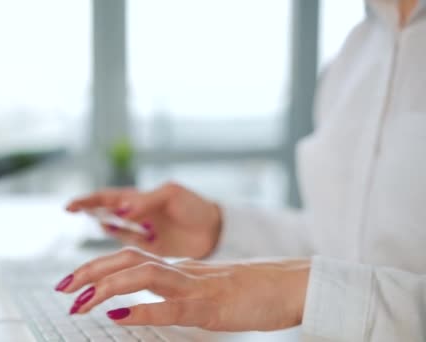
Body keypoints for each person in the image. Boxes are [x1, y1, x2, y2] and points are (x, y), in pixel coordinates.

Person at [55, 0, 426, 340]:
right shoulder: (355, 53)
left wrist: (308, 292)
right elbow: (343, 249)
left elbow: (333, 286)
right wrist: (219, 231)